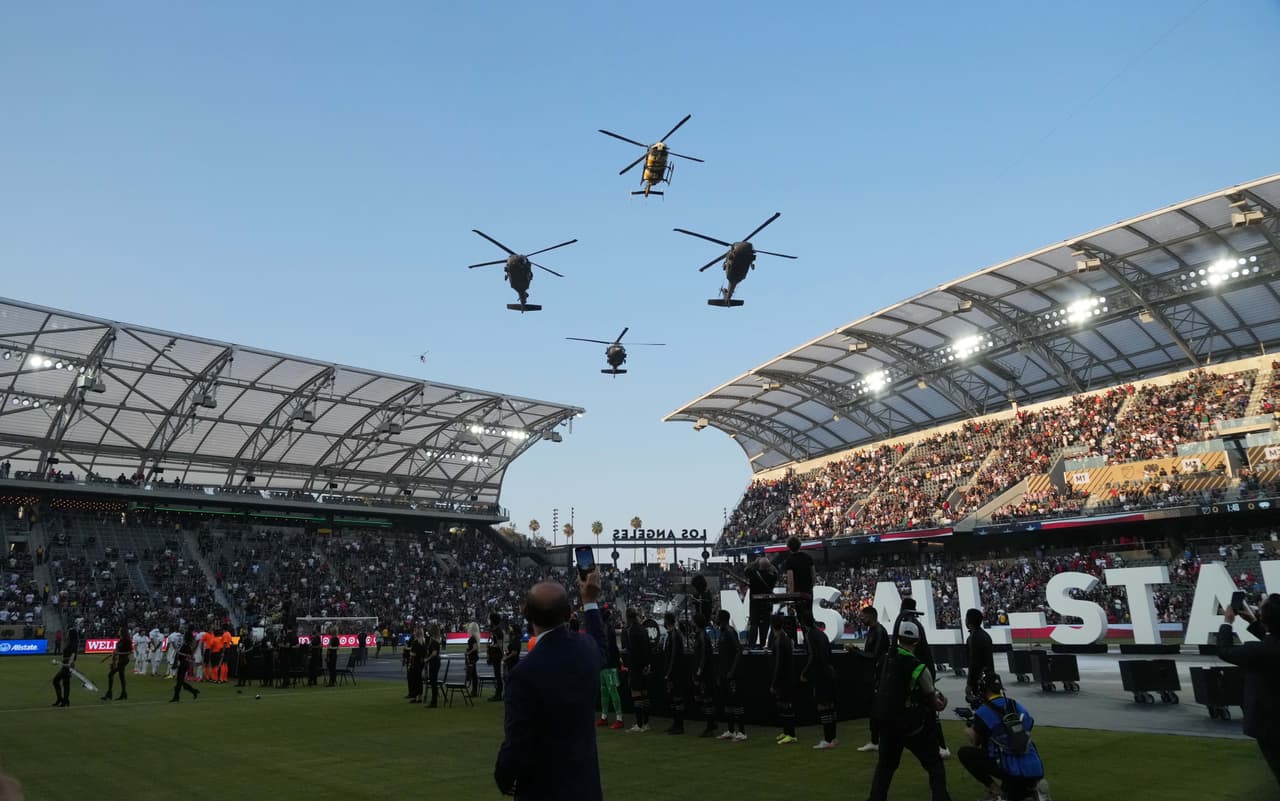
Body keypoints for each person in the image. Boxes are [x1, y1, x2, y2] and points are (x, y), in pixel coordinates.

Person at [493, 570, 608, 800]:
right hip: (585, 787)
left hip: (542, 789)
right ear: (567, 614)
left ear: (527, 615)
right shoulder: (586, 649)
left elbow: (517, 741)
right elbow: (602, 647)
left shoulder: (524, 674)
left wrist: (503, 777)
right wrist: (590, 602)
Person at [866, 618, 951, 801]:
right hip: (911, 726)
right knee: (934, 765)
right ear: (917, 641)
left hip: (886, 723)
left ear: (898, 638)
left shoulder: (884, 659)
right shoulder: (918, 666)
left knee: (885, 768)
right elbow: (933, 700)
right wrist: (942, 703)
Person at [958, 669, 1049, 801]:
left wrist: (969, 729)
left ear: (983, 689)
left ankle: (996, 791)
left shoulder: (983, 712)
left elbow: (975, 741)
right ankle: (1033, 788)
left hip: (1010, 769)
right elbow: (1028, 724)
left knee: (966, 753)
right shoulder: (1015, 704)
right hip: (1034, 767)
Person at [1219, 594, 1280, 788]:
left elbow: (1225, 651)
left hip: (1270, 725)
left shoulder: (1259, 651)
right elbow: (1274, 641)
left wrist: (1227, 622)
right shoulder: (1267, 648)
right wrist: (1255, 622)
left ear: (1265, 618)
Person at [899, 596, 949, 759]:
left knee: (927, 708)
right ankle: (936, 744)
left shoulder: (908, 625)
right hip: (924, 669)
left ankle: (941, 745)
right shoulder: (915, 623)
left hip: (920, 670)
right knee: (925, 708)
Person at [799, 610, 837, 749]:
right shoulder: (822, 633)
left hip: (821, 673)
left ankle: (827, 740)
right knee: (830, 705)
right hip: (829, 671)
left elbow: (812, 655)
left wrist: (804, 672)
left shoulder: (810, 634)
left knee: (822, 705)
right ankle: (832, 737)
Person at [857, 605, 891, 753]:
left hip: (879, 676)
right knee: (874, 709)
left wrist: (856, 652)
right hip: (874, 675)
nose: (861, 619)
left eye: (863, 616)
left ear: (871, 616)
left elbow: (874, 656)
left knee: (878, 709)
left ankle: (878, 740)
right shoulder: (872, 631)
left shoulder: (879, 631)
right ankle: (875, 740)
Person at [713, 608, 746, 740]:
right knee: (728, 701)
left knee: (736, 701)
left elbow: (739, 650)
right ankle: (731, 730)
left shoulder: (730, 631)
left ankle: (742, 731)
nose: (714, 617)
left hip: (732, 674)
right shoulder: (722, 632)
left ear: (721, 618)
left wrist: (732, 671)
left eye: (716, 615)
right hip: (724, 673)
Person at [769, 612, 798, 744]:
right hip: (787, 676)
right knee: (784, 705)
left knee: (787, 706)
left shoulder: (780, 640)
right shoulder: (784, 637)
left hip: (784, 678)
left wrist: (774, 682)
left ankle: (791, 734)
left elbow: (778, 663)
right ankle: (787, 731)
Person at [623, 606, 652, 732]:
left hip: (635, 665)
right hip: (645, 665)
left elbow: (631, 650)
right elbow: (647, 648)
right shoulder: (643, 629)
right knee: (645, 694)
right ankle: (646, 723)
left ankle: (639, 724)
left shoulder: (631, 631)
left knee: (636, 694)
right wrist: (647, 664)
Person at [691, 612, 718, 737]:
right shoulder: (702, 636)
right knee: (706, 699)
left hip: (705, 674)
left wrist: (699, 671)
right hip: (705, 672)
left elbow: (703, 656)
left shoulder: (702, 637)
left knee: (707, 699)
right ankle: (711, 724)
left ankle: (710, 726)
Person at [661, 611, 688, 734]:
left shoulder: (674, 635)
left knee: (677, 698)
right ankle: (676, 723)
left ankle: (679, 725)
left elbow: (673, 656)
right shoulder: (673, 634)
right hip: (674, 671)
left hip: (676, 673)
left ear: (667, 621)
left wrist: (669, 672)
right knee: (674, 699)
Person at [597, 610, 624, 729]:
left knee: (611, 691)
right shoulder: (606, 628)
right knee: (605, 691)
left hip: (608, 665)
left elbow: (610, 647)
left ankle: (619, 719)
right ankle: (604, 717)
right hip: (605, 664)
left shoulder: (607, 629)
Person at [744, 557, 778, 648]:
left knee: (754, 625)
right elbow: (775, 572)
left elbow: (746, 570)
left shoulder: (752, 573)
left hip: (754, 604)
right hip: (766, 604)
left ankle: (752, 645)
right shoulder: (772, 576)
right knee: (765, 625)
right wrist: (770, 565)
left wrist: (755, 562)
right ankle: (763, 645)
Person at [965, 609, 996, 703]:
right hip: (989, 676)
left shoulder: (974, 637)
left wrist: (970, 684)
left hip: (981, 680)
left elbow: (974, 662)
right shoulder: (985, 635)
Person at [784, 536, 816, 616]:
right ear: (799, 545)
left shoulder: (789, 560)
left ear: (789, 547)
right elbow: (813, 574)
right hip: (808, 590)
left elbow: (790, 579)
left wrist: (791, 594)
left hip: (798, 593)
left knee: (801, 615)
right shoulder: (808, 557)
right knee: (809, 613)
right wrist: (811, 586)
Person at [51, 627, 79, 708]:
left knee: (61, 682)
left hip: (67, 665)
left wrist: (69, 663)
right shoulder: (70, 643)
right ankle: (63, 700)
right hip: (65, 664)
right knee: (62, 682)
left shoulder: (73, 644)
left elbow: (73, 655)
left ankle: (63, 700)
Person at [101, 626, 131, 701]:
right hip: (119, 660)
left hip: (123, 660)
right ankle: (123, 694)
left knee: (110, 674)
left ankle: (109, 694)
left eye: (120, 630)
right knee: (121, 676)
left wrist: (119, 653)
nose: (118, 631)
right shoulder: (121, 640)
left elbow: (129, 652)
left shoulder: (127, 640)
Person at [170, 631, 200, 703]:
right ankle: (192, 691)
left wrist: (179, 653)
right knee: (180, 681)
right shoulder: (187, 646)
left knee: (179, 681)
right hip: (184, 664)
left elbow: (187, 655)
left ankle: (177, 696)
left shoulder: (185, 646)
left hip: (183, 664)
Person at [488, 614, 506, 701]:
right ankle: (498, 693)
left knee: (498, 674)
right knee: (497, 674)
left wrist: (491, 646)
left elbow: (499, 645)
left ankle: (498, 694)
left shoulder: (498, 632)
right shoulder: (495, 630)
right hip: (494, 655)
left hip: (497, 655)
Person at [406, 627, 427, 703]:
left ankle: (415, 697)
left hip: (415, 663)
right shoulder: (424, 642)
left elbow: (412, 655)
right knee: (419, 681)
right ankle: (419, 697)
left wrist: (409, 665)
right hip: (421, 663)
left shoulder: (415, 642)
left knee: (414, 680)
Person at [425, 624, 443, 707]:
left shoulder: (434, 642)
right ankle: (433, 700)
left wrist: (427, 659)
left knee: (433, 682)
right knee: (433, 682)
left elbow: (434, 653)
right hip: (435, 662)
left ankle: (434, 702)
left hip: (434, 663)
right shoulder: (435, 640)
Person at [465, 624, 481, 697]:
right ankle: (474, 691)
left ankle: (474, 691)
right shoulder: (475, 638)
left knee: (473, 674)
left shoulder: (473, 638)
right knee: (474, 674)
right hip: (474, 657)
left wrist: (468, 652)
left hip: (472, 657)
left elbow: (475, 648)